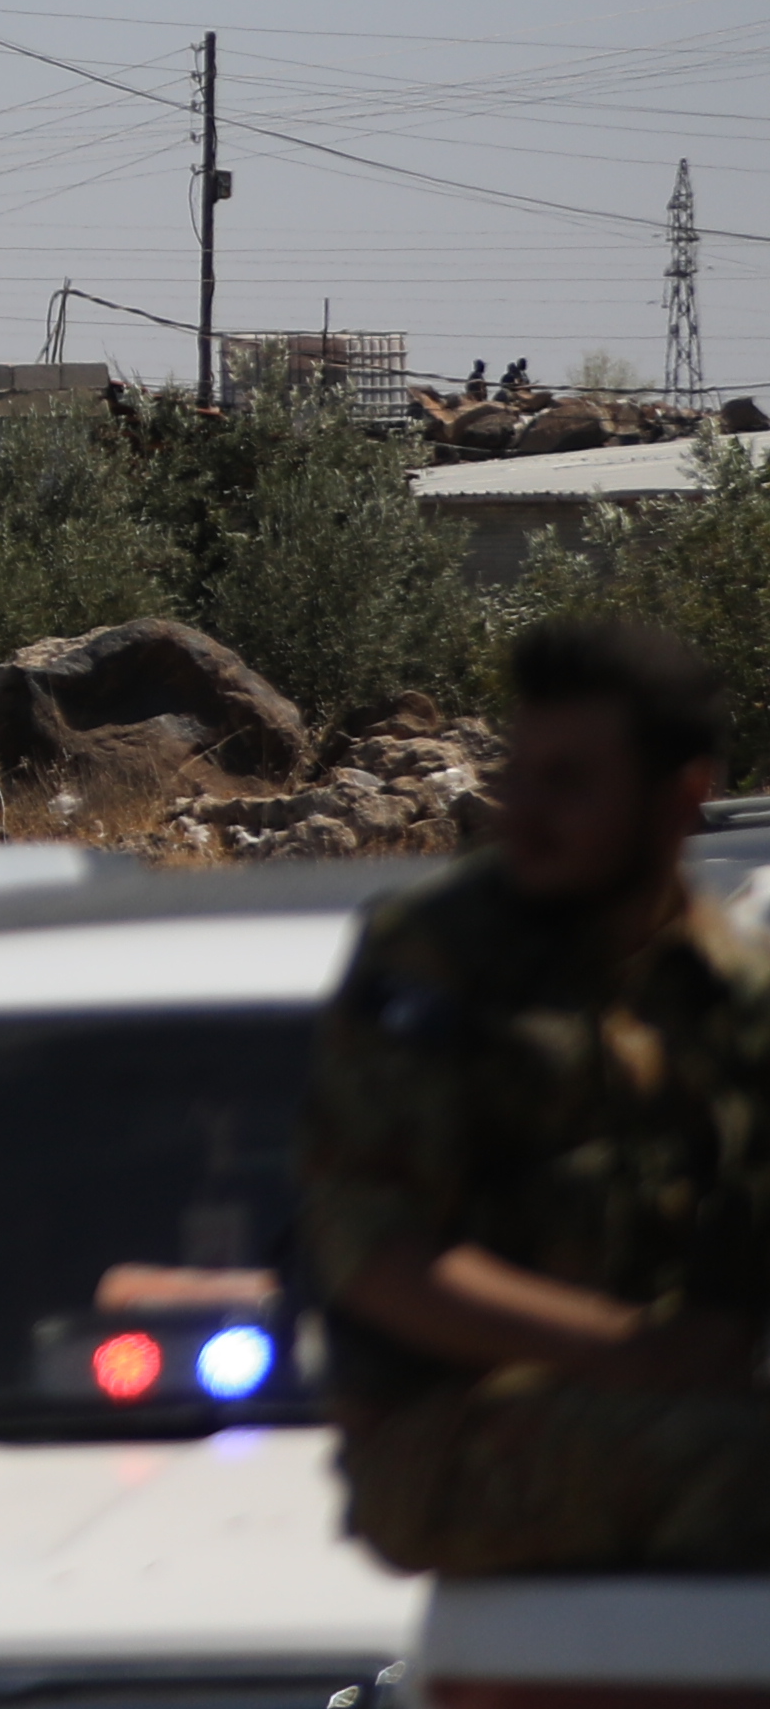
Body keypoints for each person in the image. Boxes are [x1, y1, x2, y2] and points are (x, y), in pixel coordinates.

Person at [303, 614, 770, 1571]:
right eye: (522, 775)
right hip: (449, 1432)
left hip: (676, 1398)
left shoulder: (730, 989)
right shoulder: (434, 962)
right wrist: (637, 1354)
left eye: (570, 785)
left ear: (681, 799)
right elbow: (377, 1257)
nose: (524, 814)